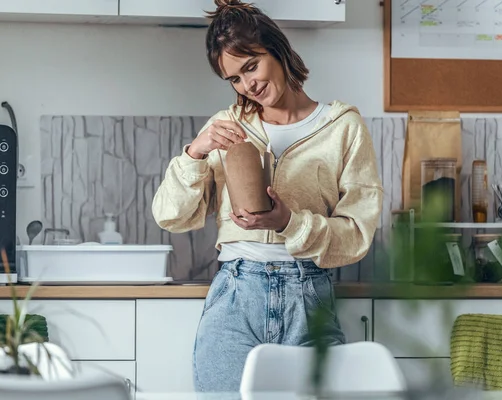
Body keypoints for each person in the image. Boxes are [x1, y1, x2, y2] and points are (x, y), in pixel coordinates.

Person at [151, 0, 383, 392]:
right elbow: (171, 216)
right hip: (234, 296)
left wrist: (289, 223)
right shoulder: (226, 128)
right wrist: (195, 152)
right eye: (235, 79)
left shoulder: (343, 127)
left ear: (277, 50)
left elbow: (358, 235)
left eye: (251, 66)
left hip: (308, 297)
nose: (248, 85)